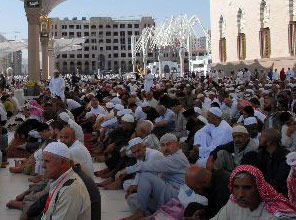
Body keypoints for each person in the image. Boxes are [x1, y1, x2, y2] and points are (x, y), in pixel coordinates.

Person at [121, 133, 189, 219]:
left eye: (168, 144)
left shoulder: (178, 158)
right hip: (165, 193)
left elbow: (149, 166)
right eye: (163, 145)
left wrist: (126, 170)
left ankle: (141, 212)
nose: (165, 148)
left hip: (176, 195)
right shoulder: (167, 157)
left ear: (177, 144)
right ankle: (155, 214)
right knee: (132, 198)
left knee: (146, 175)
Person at [211, 165, 296, 220]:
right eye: (236, 187)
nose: (240, 194)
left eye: (247, 188)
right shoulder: (233, 203)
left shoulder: (276, 215)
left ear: (258, 189)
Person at [40, 142, 91, 220]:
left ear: (62, 163)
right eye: (42, 160)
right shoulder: (60, 179)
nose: (42, 165)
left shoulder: (70, 191)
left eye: (47, 161)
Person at [115, 137, 163, 212]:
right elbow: (139, 173)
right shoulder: (140, 156)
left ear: (144, 147)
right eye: (134, 152)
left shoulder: (154, 155)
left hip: (159, 183)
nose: (136, 154)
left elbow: (149, 176)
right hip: (147, 182)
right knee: (126, 184)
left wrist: (136, 187)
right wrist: (133, 186)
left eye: (138, 151)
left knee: (133, 199)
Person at [242, 128, 290, 197]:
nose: (259, 138)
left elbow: (280, 181)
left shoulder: (285, 157)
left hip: (279, 194)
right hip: (264, 190)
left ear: (269, 142)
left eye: (262, 136)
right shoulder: (263, 154)